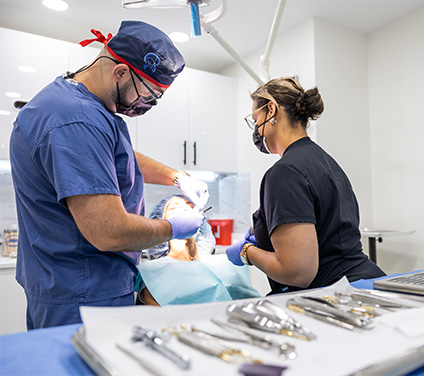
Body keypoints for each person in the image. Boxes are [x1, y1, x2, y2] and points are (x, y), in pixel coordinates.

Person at [9, 21, 210, 330]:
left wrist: (177, 177)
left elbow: (111, 156)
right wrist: (171, 228)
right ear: (119, 72)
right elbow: (108, 230)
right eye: (148, 96)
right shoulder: (75, 120)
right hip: (82, 294)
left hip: (75, 286)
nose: (147, 107)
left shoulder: (77, 103)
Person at [226, 77, 386, 294]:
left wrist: (247, 252)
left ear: (271, 110)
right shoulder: (325, 161)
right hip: (365, 282)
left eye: (255, 119)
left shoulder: (284, 172)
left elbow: (297, 273)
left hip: (335, 295)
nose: (256, 129)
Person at [136, 195, 260, 306]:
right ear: (161, 225)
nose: (185, 209)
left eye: (190, 206)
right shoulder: (152, 273)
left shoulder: (226, 261)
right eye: (174, 208)